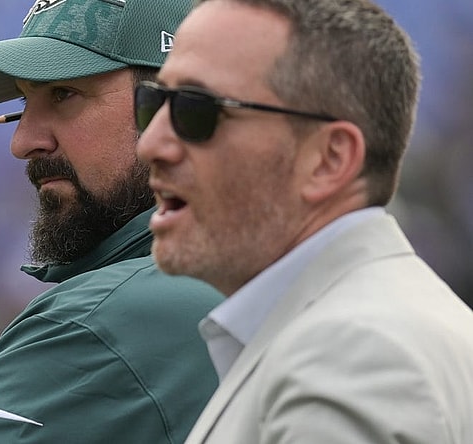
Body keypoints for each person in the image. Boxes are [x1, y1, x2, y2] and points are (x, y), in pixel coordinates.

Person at [134, 0, 473, 442]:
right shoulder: (368, 325)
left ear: (329, 159)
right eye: (152, 102)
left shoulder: (352, 355)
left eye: (195, 110)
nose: (150, 144)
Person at [0, 1, 225, 443]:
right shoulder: (273, 270)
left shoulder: (107, 319)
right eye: (25, 102)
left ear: (175, 106)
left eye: (63, 94)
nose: (22, 141)